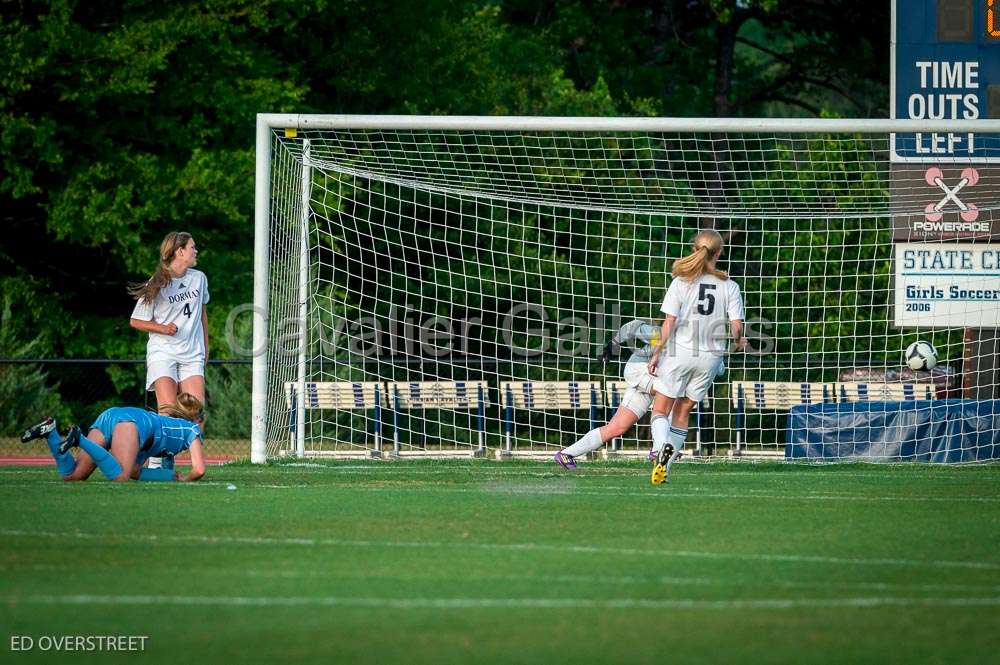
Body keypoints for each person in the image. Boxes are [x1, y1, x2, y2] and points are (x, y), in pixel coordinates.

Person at [553, 320, 723, 470]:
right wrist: (613, 344)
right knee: (673, 399)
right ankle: (660, 448)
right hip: (639, 370)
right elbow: (633, 327)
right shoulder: (667, 334)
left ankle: (567, 454)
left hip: (655, 380)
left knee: (617, 427)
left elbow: (718, 368)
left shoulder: (703, 348)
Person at [646, 230, 745, 485]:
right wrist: (738, 341)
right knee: (684, 410)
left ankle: (660, 448)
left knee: (660, 409)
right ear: (719, 252)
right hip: (710, 358)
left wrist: (657, 352)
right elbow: (736, 326)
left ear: (694, 249)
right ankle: (665, 467)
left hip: (681, 353)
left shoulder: (681, 282)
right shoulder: (730, 285)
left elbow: (669, 322)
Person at [128, 231, 209, 470]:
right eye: (193, 247)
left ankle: (177, 455)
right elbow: (136, 320)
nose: (196, 251)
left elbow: (202, 314)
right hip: (163, 352)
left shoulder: (199, 278)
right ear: (179, 251)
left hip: (192, 353)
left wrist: (206, 347)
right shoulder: (158, 282)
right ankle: (157, 459)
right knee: (167, 411)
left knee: (196, 414)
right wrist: (163, 328)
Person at [20, 393, 206, 482]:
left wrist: (170, 476)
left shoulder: (168, 426)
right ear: (197, 420)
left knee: (73, 475)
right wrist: (185, 479)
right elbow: (199, 470)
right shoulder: (192, 430)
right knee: (119, 476)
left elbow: (136, 471)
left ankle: (51, 432)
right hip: (130, 423)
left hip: (112, 416)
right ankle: (79, 439)